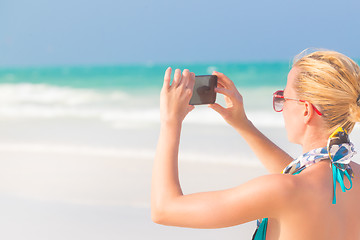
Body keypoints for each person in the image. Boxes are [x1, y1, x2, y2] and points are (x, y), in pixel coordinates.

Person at [151, 49, 360, 240]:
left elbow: (164, 209)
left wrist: (170, 121)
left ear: (306, 110)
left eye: (283, 98)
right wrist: (242, 124)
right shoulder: (349, 179)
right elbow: (299, 177)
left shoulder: (283, 191)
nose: (281, 106)